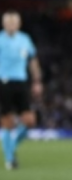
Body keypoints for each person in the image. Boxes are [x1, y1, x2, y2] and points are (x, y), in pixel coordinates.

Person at [0, 12, 43, 170]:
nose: (11, 25)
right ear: (4, 24)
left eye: (14, 22)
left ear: (19, 24)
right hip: (4, 82)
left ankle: (10, 147)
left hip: (21, 82)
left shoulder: (25, 39)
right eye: (8, 22)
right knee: (7, 122)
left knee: (30, 121)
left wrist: (37, 81)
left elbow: (33, 61)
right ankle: (10, 160)